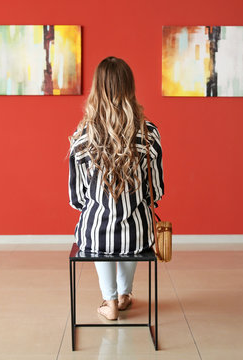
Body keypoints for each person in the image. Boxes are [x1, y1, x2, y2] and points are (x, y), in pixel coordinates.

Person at [68, 56, 165, 320]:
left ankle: (109, 301)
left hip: (95, 233)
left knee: (102, 231)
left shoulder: (82, 136)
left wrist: (101, 205)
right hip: (138, 234)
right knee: (131, 228)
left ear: (97, 89)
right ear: (129, 89)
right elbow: (155, 190)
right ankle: (124, 295)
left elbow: (77, 197)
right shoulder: (148, 132)